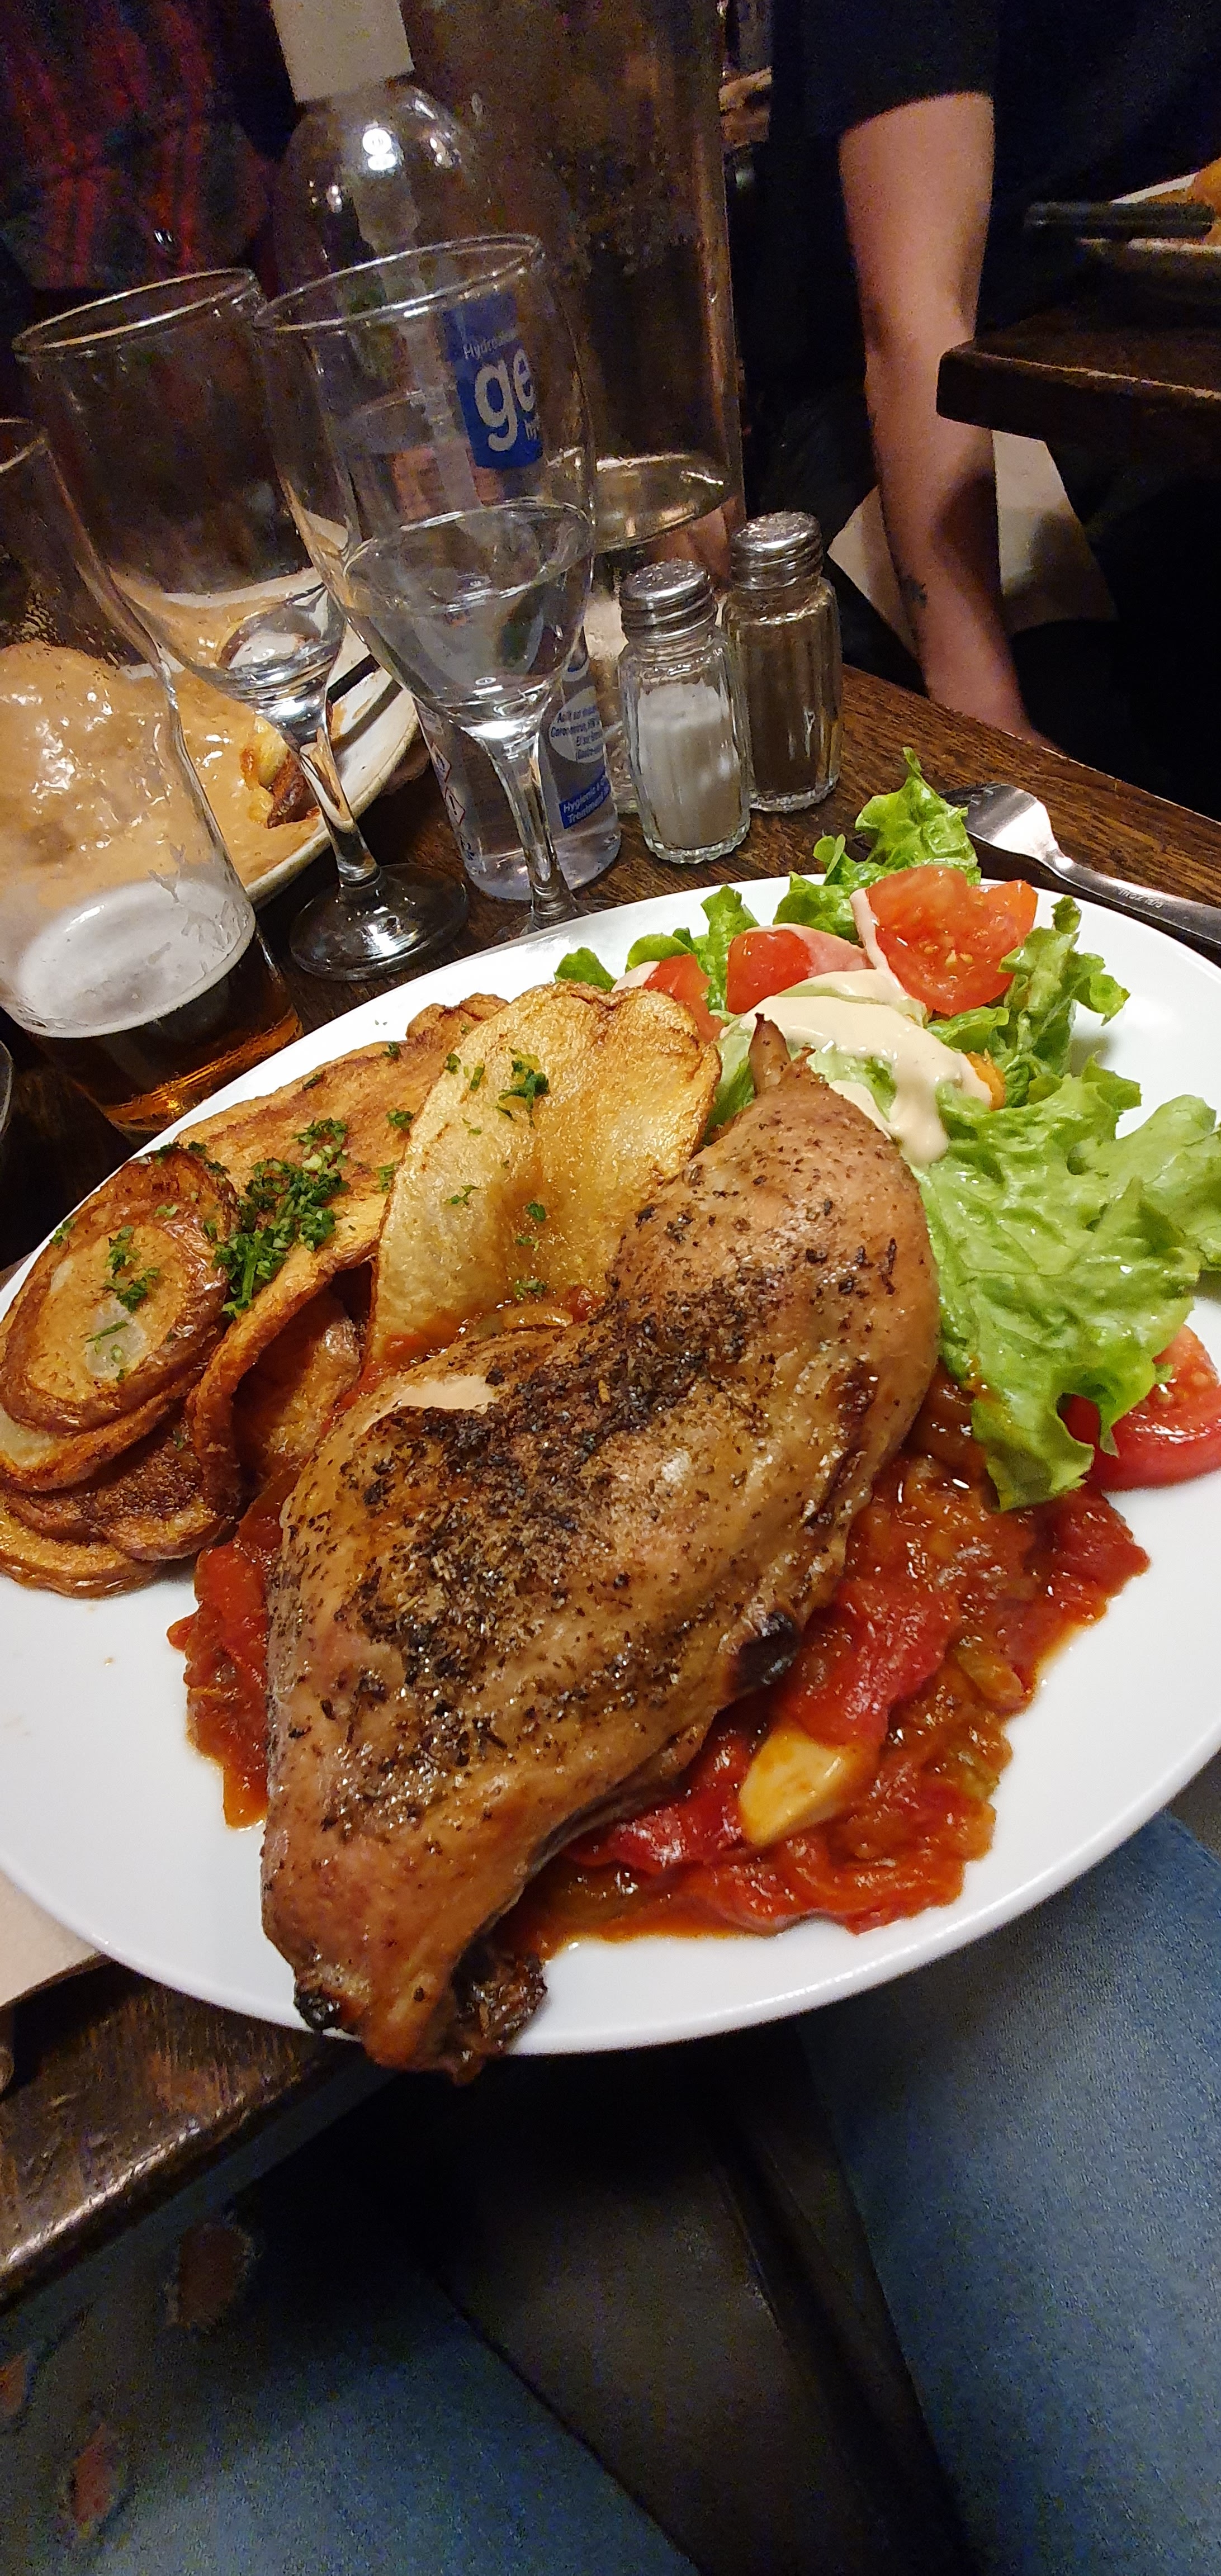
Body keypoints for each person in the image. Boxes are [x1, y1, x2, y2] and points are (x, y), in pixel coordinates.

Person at [746, 0, 1221, 803]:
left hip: (1148, 370)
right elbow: (913, 317)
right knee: (1114, 748)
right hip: (915, 405)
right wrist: (984, 713)